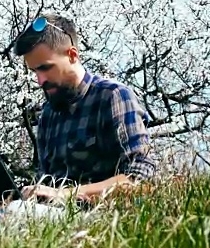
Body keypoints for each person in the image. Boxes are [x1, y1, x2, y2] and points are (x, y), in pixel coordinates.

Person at [12, 13, 156, 205]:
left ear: (72, 55)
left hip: (102, 220)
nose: (40, 81)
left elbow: (140, 180)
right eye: (34, 72)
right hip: (50, 220)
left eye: (45, 68)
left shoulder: (113, 96)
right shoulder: (47, 114)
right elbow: (45, 180)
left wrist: (66, 194)